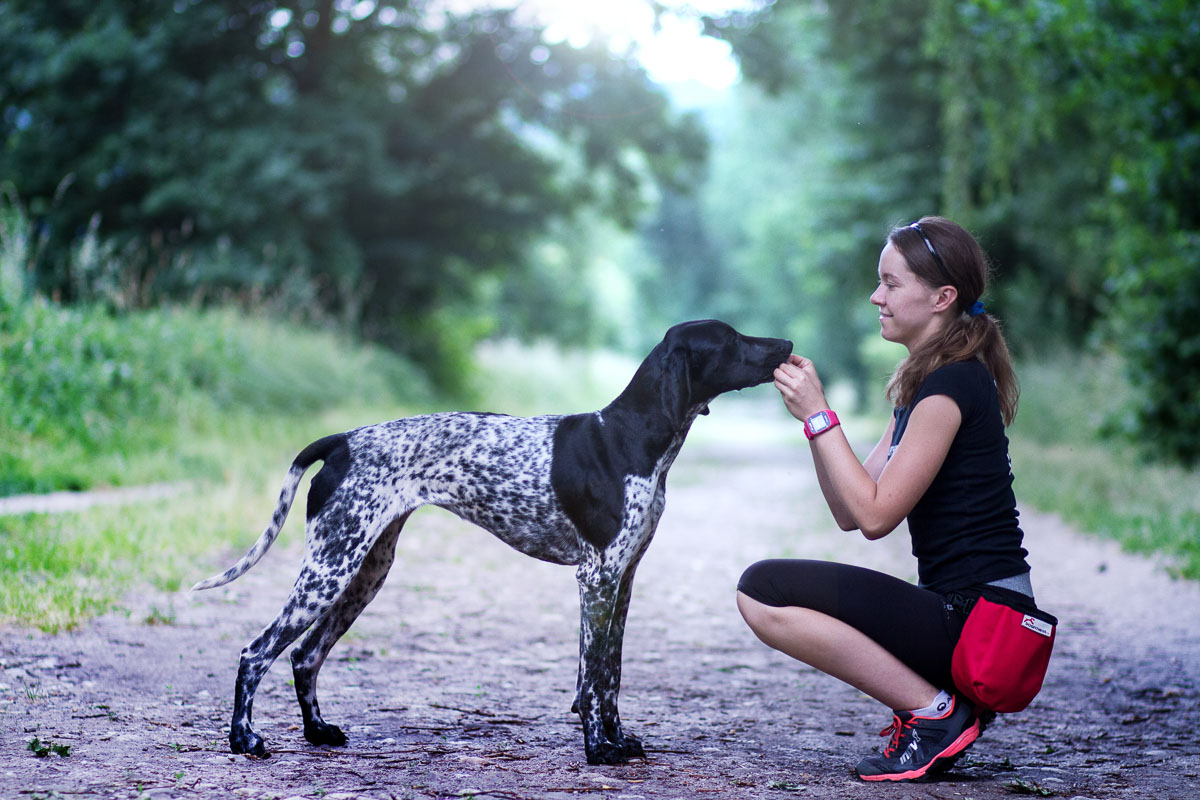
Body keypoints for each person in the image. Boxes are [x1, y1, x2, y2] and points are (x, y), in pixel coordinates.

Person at [737, 216, 1037, 782]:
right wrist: (814, 423)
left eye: (892, 283)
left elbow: (877, 517)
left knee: (762, 591)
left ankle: (934, 714)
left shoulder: (952, 386)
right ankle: (938, 708)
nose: (877, 296)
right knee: (766, 589)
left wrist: (821, 416)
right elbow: (850, 511)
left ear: (942, 297)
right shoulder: (927, 383)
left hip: (987, 627)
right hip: (973, 618)